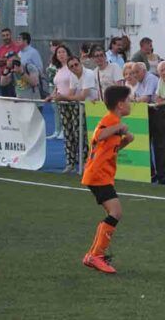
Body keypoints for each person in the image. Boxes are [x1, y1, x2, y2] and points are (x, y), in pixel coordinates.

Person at [80, 85, 135, 274]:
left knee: (115, 213)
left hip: (101, 174)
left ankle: (95, 255)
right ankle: (95, 255)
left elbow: (109, 149)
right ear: (120, 105)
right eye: (129, 100)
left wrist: (126, 140)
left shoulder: (114, 123)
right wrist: (119, 127)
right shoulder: (111, 121)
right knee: (116, 212)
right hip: (98, 175)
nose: (131, 103)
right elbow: (98, 135)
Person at [46, 45, 84, 175]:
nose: (61, 54)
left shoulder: (73, 68)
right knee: (67, 134)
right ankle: (70, 163)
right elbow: (58, 87)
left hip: (74, 104)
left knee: (78, 133)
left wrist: (67, 97)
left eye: (63, 52)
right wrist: (51, 96)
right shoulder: (58, 69)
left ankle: (83, 162)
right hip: (62, 104)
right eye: (58, 52)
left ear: (68, 53)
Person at [46, 40, 64, 140]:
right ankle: (57, 130)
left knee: (60, 109)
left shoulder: (61, 60)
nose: (51, 48)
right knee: (55, 110)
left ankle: (62, 130)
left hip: (59, 87)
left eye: (53, 46)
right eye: (51, 46)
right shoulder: (52, 59)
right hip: (51, 85)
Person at [0, 28, 20, 97]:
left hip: (14, 78)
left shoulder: (17, 47)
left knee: (13, 100)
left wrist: (3, 60)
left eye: (7, 35)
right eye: (3, 35)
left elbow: (17, 61)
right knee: (5, 99)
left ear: (10, 35)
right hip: (2, 77)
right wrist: (8, 60)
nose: (6, 37)